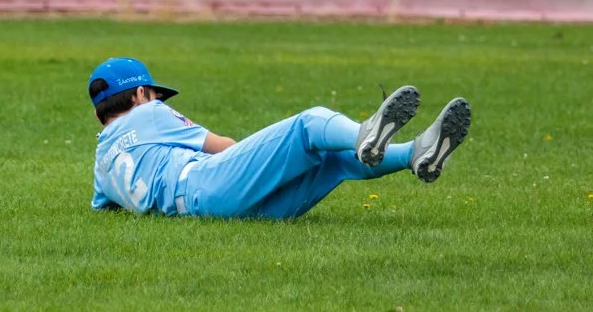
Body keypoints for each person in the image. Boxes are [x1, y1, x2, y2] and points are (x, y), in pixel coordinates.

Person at [88, 56, 471, 219]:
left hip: (227, 213)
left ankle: (416, 154)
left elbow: (102, 206)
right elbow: (223, 147)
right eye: (152, 93)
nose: (155, 99)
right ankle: (364, 133)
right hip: (209, 186)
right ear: (139, 95)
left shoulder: (101, 166)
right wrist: (260, 162)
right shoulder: (149, 114)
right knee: (308, 126)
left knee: (331, 159)